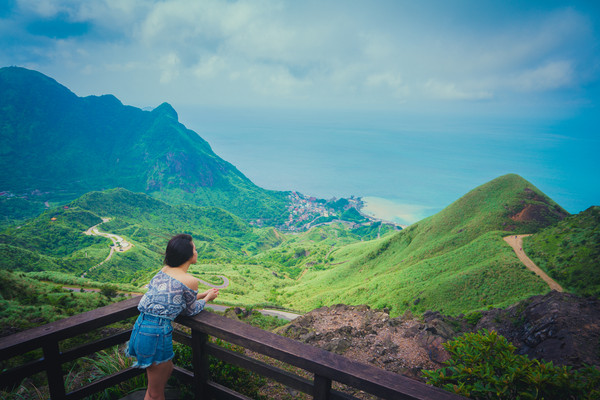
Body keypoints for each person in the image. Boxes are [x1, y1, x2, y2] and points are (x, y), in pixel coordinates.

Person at [126, 234, 219, 400]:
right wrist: (207, 299)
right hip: (156, 333)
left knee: (166, 371)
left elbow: (173, 301)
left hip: (140, 326)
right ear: (188, 255)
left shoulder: (164, 271)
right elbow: (190, 311)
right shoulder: (190, 280)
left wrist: (201, 294)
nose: (197, 252)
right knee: (156, 394)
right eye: (195, 249)